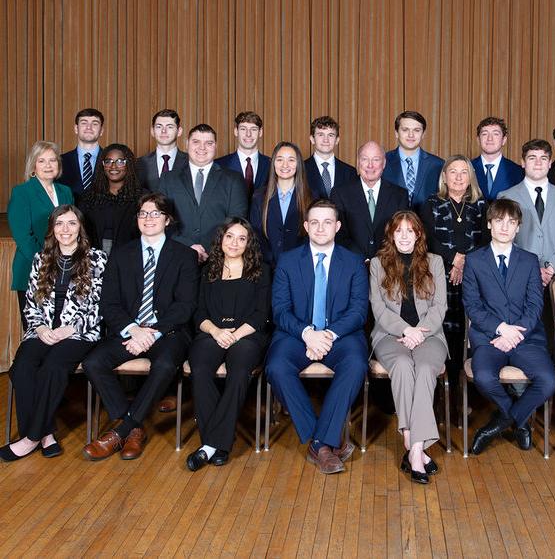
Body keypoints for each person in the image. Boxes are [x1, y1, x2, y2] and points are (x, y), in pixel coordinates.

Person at [81, 193, 199, 461]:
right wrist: (133, 329)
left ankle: (120, 431)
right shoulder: (122, 255)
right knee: (94, 362)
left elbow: (185, 305)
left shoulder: (184, 255)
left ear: (167, 220)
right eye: (143, 213)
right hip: (130, 330)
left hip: (168, 332)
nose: (149, 219)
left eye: (155, 213)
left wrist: (152, 331)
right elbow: (108, 303)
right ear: (136, 220)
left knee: (167, 365)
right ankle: (134, 429)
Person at [264, 199, 369, 474]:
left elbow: (358, 311)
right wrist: (308, 334)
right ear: (306, 226)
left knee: (356, 363)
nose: (320, 228)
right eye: (315, 222)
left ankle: (319, 443)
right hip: (297, 333)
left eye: (327, 222)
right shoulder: (287, 261)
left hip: (340, 335)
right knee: (276, 366)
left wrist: (328, 335)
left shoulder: (354, 262)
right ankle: (325, 440)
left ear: (337, 226)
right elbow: (280, 310)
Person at [0, 206, 107, 462]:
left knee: (52, 368)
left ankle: (30, 438)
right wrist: (40, 328)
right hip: (43, 331)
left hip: (79, 333)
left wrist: (67, 330)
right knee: (22, 366)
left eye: (71, 223)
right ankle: (46, 434)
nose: (65, 229)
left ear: (80, 227)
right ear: (52, 229)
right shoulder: (41, 258)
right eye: (60, 224)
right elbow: (32, 303)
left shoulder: (97, 259)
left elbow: (99, 305)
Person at [462, 199, 555, 454]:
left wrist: (514, 334)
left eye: (511, 222)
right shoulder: (474, 260)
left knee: (548, 381)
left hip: (525, 338)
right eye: (499, 221)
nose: (505, 227)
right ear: (490, 224)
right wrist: (501, 329)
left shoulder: (529, 260)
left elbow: (535, 305)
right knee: (482, 376)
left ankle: (497, 424)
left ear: (518, 228)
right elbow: (472, 306)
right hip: (489, 337)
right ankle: (520, 420)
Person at [185, 218, 271, 471]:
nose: (235, 243)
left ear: (249, 244)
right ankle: (219, 442)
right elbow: (198, 312)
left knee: (239, 372)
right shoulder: (208, 269)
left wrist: (235, 335)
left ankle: (209, 446)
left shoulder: (261, 270)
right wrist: (216, 331)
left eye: (242, 238)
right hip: (212, 332)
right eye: (230, 236)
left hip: (247, 335)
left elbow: (260, 314)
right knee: (199, 370)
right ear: (220, 239)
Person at [370, 211, 448, 483]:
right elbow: (378, 308)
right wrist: (405, 330)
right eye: (398, 231)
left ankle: (414, 448)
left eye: (410, 231)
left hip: (430, 335)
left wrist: (419, 333)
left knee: (426, 367)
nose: (404, 236)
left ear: (418, 235)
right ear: (391, 234)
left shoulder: (435, 262)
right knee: (402, 365)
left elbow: (440, 306)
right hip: (390, 336)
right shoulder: (378, 264)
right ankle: (416, 447)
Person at [420, 155, 487, 409]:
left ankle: (462, 395)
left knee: (465, 334)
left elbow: (485, 241)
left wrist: (464, 262)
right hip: (439, 277)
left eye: (463, 172)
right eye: (453, 172)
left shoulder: (480, 205)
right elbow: (427, 239)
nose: (458, 177)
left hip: (472, 278)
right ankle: (438, 395)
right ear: (444, 177)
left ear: (470, 177)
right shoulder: (431, 204)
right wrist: (453, 259)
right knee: (441, 332)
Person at [157, 123, 248, 263]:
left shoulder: (233, 179)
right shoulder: (168, 179)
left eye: (209, 143)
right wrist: (188, 246)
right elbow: (161, 221)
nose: (202, 147)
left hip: (220, 260)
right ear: (186, 143)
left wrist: (211, 249)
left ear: (215, 146)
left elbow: (237, 222)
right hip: (177, 257)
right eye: (196, 142)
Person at [9, 141, 74, 329]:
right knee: (36, 328)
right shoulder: (22, 192)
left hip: (65, 267)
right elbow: (23, 236)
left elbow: (72, 227)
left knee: (59, 326)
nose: (48, 165)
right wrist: (47, 262)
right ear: (33, 165)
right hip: (32, 266)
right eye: (42, 161)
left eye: (53, 160)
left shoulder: (65, 191)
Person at [498, 139, 555, 287]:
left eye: (543, 158)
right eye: (532, 158)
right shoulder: (506, 197)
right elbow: (502, 239)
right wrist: (531, 269)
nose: (538, 163)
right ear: (523, 162)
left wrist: (552, 267)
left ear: (549, 163)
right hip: (518, 278)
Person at [331, 141, 409, 261]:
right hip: (352, 263)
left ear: (384, 163)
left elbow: (402, 232)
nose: (370, 165)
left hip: (389, 264)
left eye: (376, 159)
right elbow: (338, 232)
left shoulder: (400, 195)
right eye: (365, 159)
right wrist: (361, 258)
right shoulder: (340, 193)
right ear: (358, 162)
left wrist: (380, 260)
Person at [249, 141, 315, 267]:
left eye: (291, 160)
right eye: (280, 160)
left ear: (298, 164)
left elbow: (313, 235)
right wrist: (269, 259)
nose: (285, 165)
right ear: (273, 163)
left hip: (301, 265)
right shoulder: (259, 196)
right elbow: (255, 234)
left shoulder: (312, 197)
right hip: (267, 267)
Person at [78, 143, 143, 255]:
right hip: (94, 263)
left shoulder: (142, 198)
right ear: (102, 165)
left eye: (120, 161)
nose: (113, 166)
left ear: (129, 164)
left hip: (131, 260)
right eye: (108, 161)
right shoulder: (88, 198)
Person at [382, 111, 443, 210]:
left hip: (426, 224)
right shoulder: (382, 162)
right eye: (405, 130)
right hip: (391, 223)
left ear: (423, 134)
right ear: (396, 133)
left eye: (416, 130)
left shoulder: (438, 165)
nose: (411, 135)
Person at [216, 111, 271, 196]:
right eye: (243, 129)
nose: (248, 134)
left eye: (253, 129)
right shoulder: (218, 165)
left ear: (260, 132)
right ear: (236, 132)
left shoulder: (272, 165)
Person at [471, 116, 524, 199]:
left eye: (495, 134)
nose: (490, 139)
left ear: (504, 140)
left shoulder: (518, 172)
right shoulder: (467, 168)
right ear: (478, 140)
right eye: (485, 134)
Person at [303, 116, 358, 197]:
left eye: (330, 135)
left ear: (337, 140)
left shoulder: (350, 172)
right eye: (321, 135)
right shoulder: (301, 169)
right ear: (312, 139)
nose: (326, 140)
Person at [136, 108, 189, 191]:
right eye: (159, 126)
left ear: (179, 131)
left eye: (170, 127)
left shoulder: (191, 162)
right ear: (152, 131)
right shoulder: (139, 164)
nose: (164, 131)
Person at [60, 108, 105, 197]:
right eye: (84, 123)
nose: (89, 127)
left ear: (101, 131)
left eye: (95, 124)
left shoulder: (111, 161)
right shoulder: (60, 161)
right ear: (76, 129)